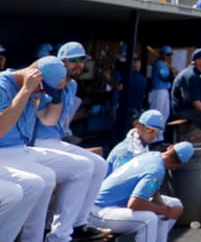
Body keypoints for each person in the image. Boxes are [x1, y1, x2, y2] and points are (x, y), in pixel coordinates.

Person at [1, 55, 105, 242]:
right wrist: (25, 92)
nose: (42, 93)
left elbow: (49, 120)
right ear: (35, 76)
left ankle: (61, 235)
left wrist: (37, 95)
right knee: (41, 180)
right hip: (3, 151)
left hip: (22, 149)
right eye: (42, 88)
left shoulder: (38, 91)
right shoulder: (3, 85)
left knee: (84, 166)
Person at [32, 42, 112, 240]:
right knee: (83, 167)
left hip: (55, 139)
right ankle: (60, 235)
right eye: (74, 60)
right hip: (36, 141)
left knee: (100, 165)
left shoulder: (73, 85)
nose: (79, 64)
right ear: (61, 62)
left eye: (82, 60)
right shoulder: (46, 83)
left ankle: (79, 224)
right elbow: (41, 117)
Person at [88, 141, 192, 242]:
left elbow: (152, 191)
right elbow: (134, 203)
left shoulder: (152, 155)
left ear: (169, 147)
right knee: (149, 220)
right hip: (98, 210)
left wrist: (166, 208)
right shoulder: (156, 170)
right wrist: (166, 211)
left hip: (111, 204)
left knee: (173, 203)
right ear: (178, 165)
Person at [170, 47, 201, 142]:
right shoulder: (190, 75)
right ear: (197, 61)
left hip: (194, 109)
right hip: (184, 110)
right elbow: (195, 102)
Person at [106, 109, 167, 173]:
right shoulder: (126, 151)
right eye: (151, 130)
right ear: (138, 126)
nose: (154, 135)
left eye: (157, 131)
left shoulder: (143, 148)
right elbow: (119, 179)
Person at [147, 45, 173, 119]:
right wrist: (174, 74)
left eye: (169, 55)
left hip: (164, 91)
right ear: (162, 54)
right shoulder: (158, 64)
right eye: (167, 55)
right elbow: (165, 78)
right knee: (156, 114)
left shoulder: (164, 64)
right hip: (158, 91)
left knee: (165, 113)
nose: (168, 57)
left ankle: (161, 131)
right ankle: (152, 130)